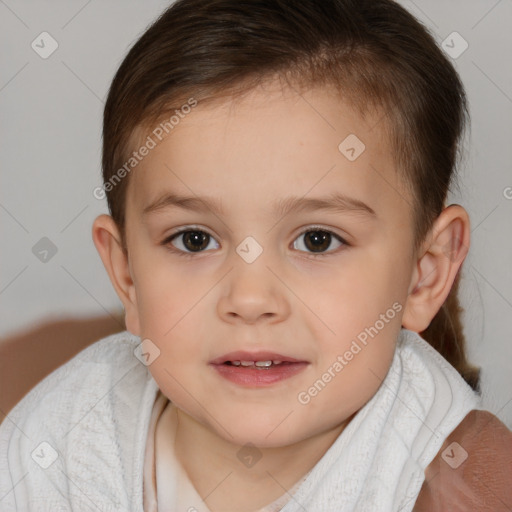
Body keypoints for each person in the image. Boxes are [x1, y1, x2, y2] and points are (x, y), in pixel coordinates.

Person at [1, 0, 511, 510]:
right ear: (127, 274)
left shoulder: (465, 482)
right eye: (194, 239)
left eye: (317, 240)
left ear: (425, 273)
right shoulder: (64, 437)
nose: (249, 299)